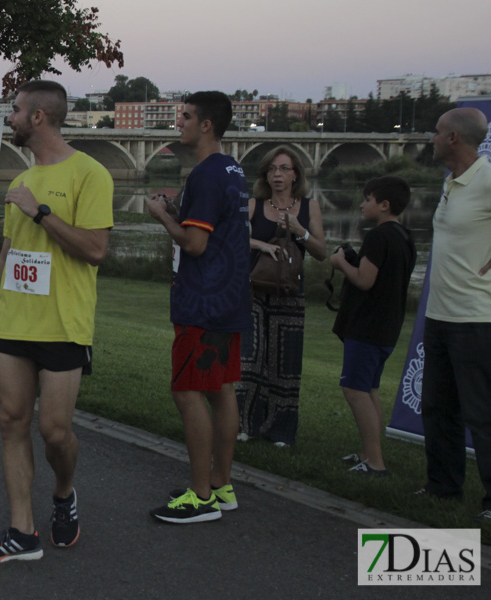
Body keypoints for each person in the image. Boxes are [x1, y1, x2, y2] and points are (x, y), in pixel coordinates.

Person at [0, 80, 113, 564]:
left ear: (38, 117)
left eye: (14, 110)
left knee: (54, 432)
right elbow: (6, 259)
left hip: (64, 326)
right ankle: (22, 532)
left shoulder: (90, 174)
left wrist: (42, 211)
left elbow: (94, 250)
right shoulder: (18, 182)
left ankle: (65, 491)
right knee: (11, 422)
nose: (8, 117)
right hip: (14, 324)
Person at [145, 91, 250, 524]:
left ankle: (200, 496)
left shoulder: (206, 175)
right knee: (220, 389)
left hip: (202, 302)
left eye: (185, 116)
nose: (179, 123)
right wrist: (178, 210)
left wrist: (162, 216)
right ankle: (221, 485)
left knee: (187, 390)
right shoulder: (232, 168)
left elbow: (194, 242)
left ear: (206, 125)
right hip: (228, 298)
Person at [418, 107, 491, 524]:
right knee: (437, 407)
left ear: (454, 138)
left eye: (437, 133)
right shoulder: (452, 182)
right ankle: (443, 488)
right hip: (440, 316)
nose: (431, 139)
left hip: (476, 317)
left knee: (483, 413)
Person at [236, 146, 327, 447]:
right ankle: (245, 424)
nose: (277, 175)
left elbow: (321, 252)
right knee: (250, 360)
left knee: (284, 364)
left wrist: (300, 232)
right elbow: (232, 238)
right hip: (254, 292)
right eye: (272, 169)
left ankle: (280, 431)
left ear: (296, 174)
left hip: (290, 294)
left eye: (284, 169)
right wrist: (260, 245)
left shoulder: (309, 208)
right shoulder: (254, 205)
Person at [330, 176, 416, 477]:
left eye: (367, 199)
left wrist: (341, 263)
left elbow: (365, 280)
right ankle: (369, 453)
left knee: (354, 390)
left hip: (367, 328)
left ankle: (375, 462)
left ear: (384, 205)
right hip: (388, 327)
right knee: (370, 390)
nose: (362, 204)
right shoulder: (404, 236)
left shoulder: (378, 237)